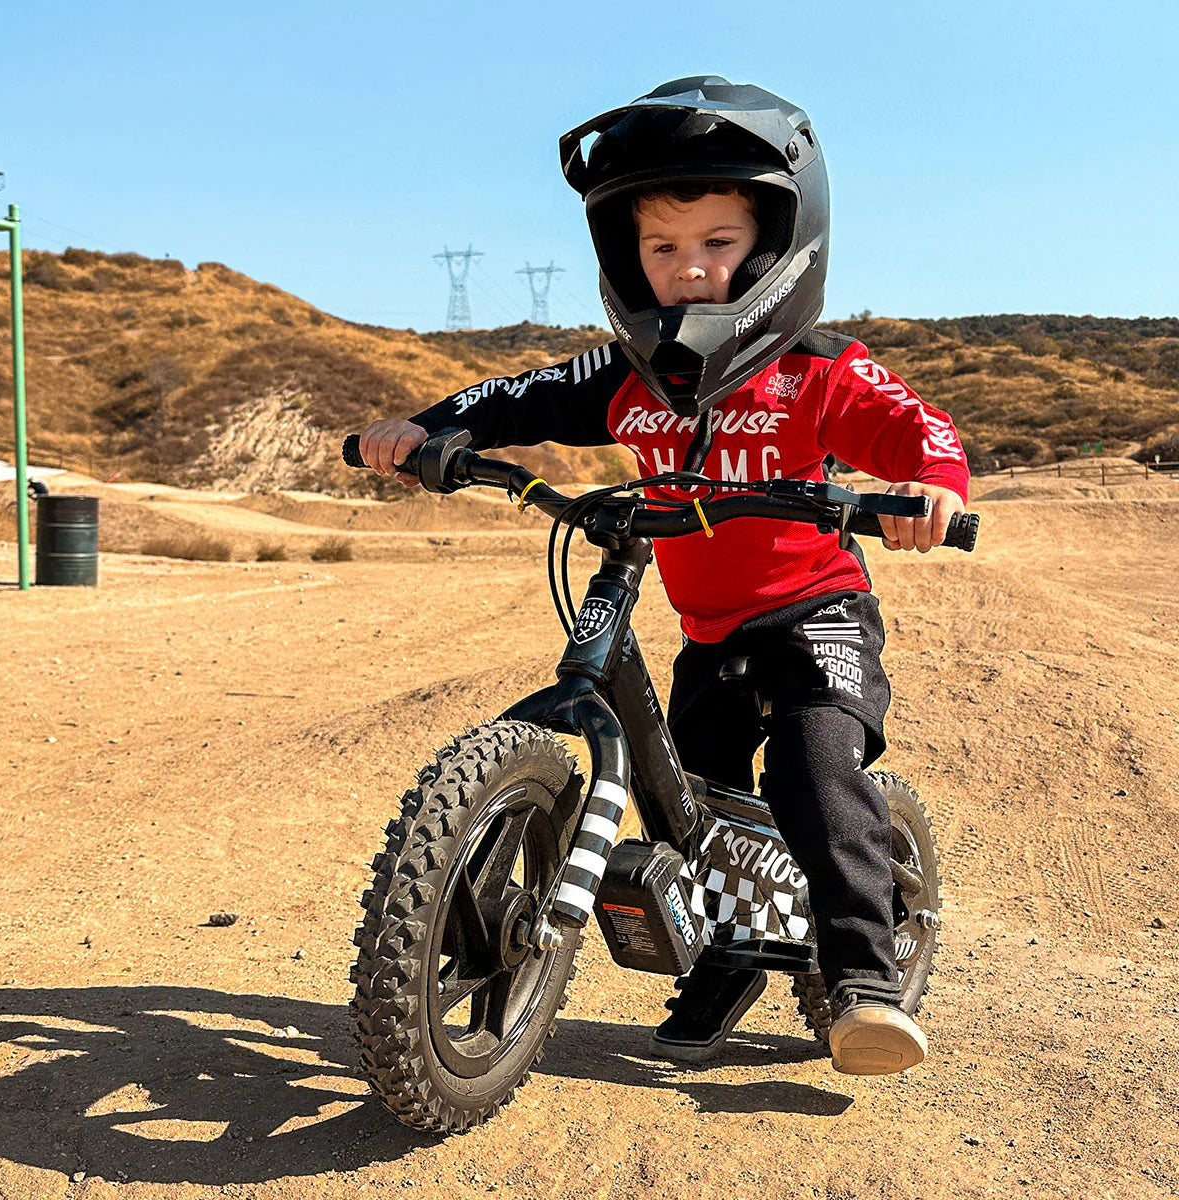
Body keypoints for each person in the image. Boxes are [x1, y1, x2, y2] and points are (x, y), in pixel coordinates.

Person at [358, 77, 969, 1076]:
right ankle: (729, 959)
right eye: (663, 248)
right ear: (625, 258)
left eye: (718, 244)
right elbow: (515, 398)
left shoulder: (817, 369)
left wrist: (932, 487)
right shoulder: (626, 377)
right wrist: (428, 431)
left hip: (817, 611)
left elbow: (917, 430)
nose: (689, 268)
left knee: (815, 774)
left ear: (775, 246)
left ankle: (861, 978)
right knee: (693, 804)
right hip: (712, 630)